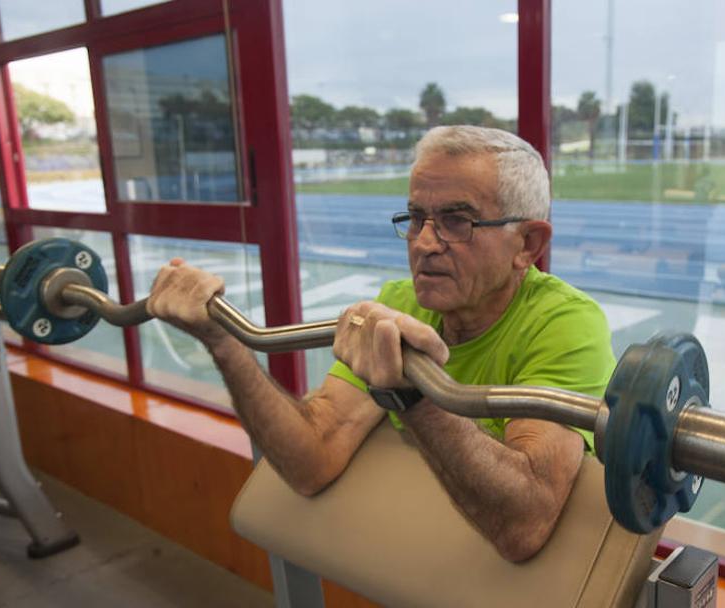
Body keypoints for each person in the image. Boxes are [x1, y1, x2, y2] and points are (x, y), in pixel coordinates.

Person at [145, 126, 615, 562]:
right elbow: (313, 459)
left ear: (527, 244)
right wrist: (227, 347)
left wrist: (412, 396)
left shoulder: (566, 324)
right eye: (416, 218)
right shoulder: (398, 304)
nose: (424, 243)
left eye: (457, 221)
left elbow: (524, 526)